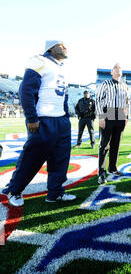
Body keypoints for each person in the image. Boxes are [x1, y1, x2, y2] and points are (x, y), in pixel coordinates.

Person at [2, 40, 76, 207]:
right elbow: (26, 90)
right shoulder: (40, 61)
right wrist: (32, 118)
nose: (65, 47)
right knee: (32, 158)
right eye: (61, 44)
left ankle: (55, 193)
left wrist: (65, 116)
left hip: (61, 120)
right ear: (50, 48)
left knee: (60, 160)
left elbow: (63, 95)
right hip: (43, 119)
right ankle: (14, 190)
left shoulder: (61, 67)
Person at [95, 63, 130, 184]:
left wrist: (126, 116)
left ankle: (113, 168)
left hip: (120, 114)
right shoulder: (105, 84)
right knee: (104, 144)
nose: (118, 69)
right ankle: (101, 172)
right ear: (111, 72)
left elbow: (127, 102)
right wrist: (100, 117)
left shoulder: (124, 86)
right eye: (115, 68)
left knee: (116, 143)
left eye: (120, 68)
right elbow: (98, 99)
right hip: (108, 112)